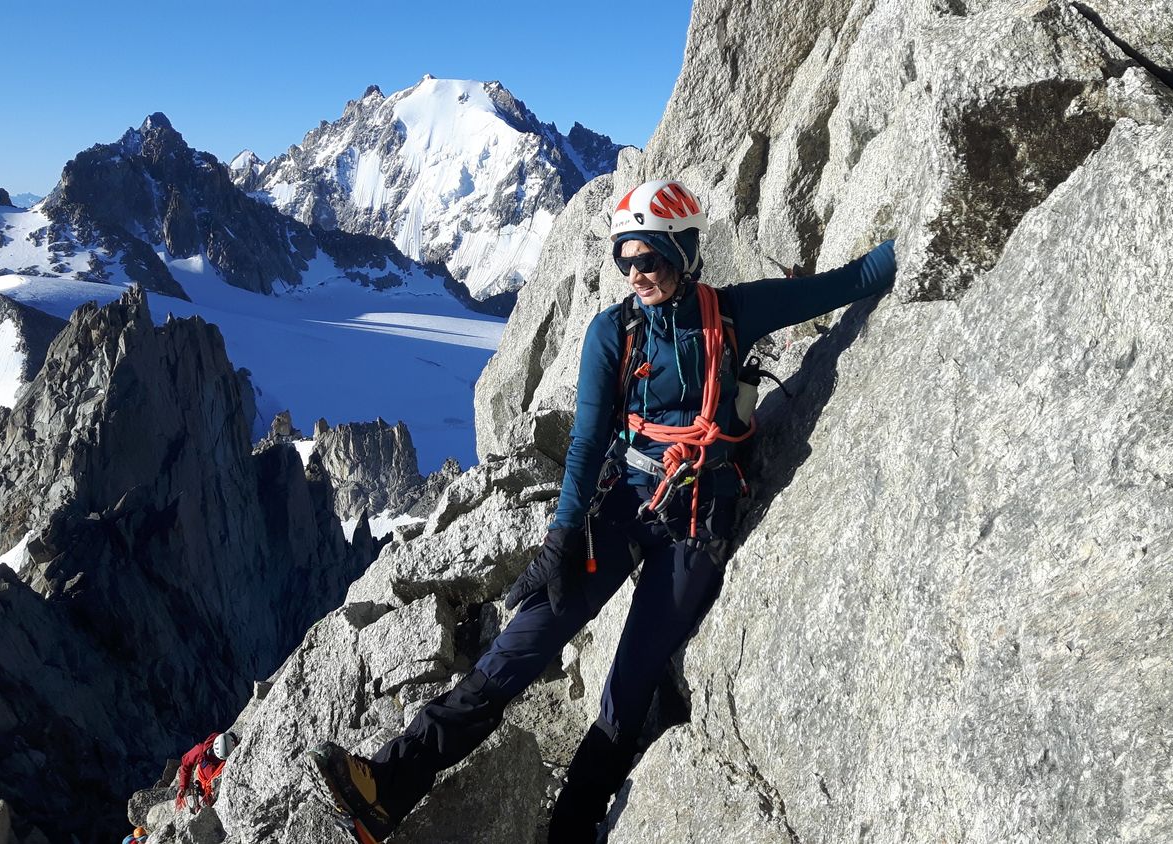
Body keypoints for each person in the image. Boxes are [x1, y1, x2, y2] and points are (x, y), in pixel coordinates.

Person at [308, 179, 897, 843]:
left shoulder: (734, 315)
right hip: (621, 504)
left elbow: (853, 280)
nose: (638, 274)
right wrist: (561, 538)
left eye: (651, 258)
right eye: (626, 260)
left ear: (686, 252)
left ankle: (569, 826)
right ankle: (389, 784)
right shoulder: (612, 332)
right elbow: (586, 443)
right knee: (517, 649)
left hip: (699, 519)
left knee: (631, 681)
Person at [174, 731, 238, 813]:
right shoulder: (201, 750)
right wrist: (183, 786)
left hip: (213, 786)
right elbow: (186, 762)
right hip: (203, 781)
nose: (215, 758)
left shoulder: (233, 755)